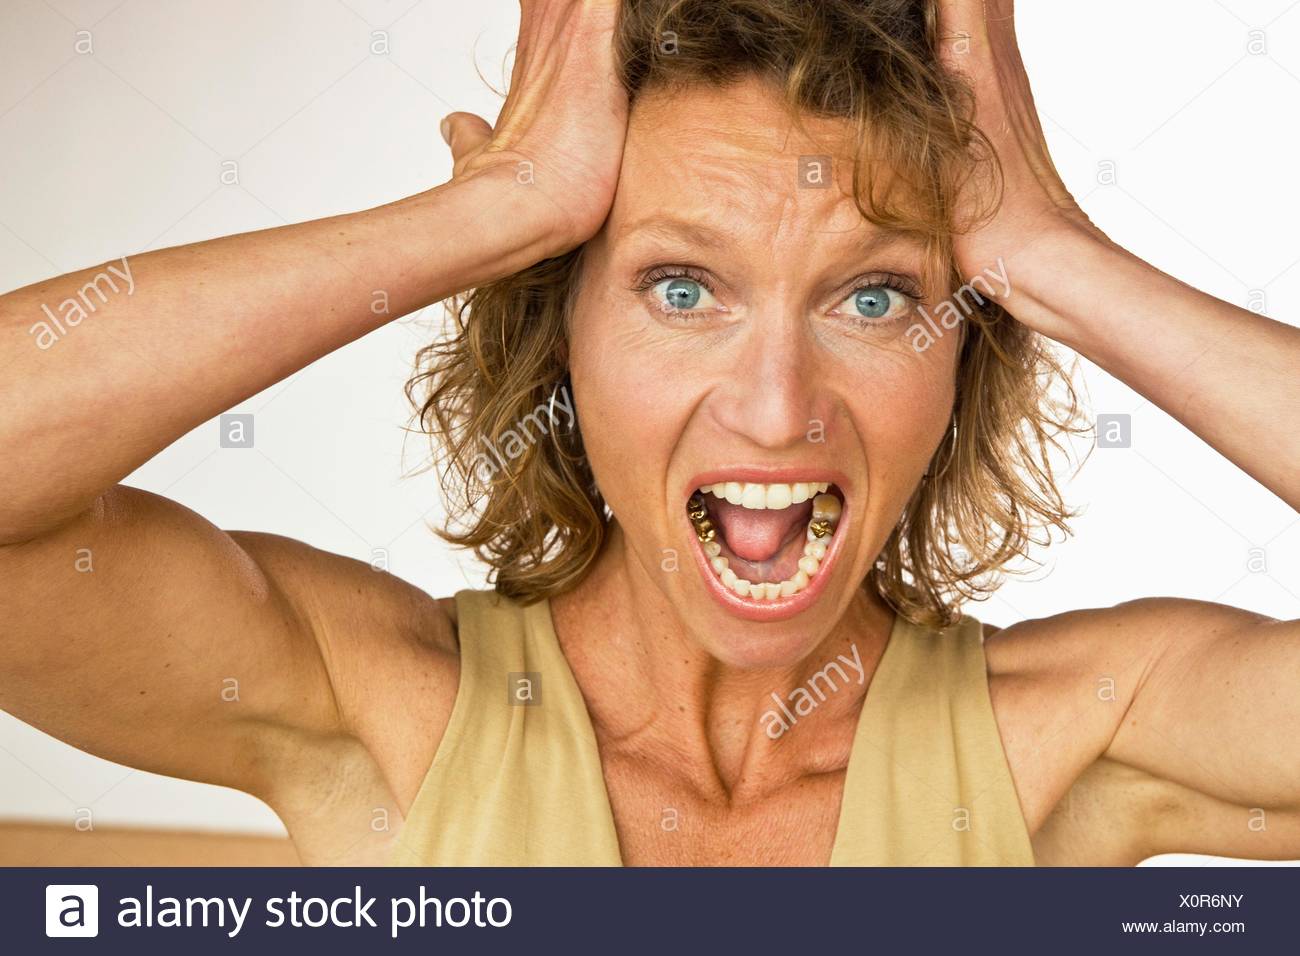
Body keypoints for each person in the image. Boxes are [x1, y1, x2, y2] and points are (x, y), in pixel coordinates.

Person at [1, 0, 1297, 867]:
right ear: (563, 334)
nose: (780, 407)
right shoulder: (383, 710)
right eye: (682, 287)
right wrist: (497, 213)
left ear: (967, 339)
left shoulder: (1074, 736)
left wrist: (1052, 256)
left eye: (876, 294)